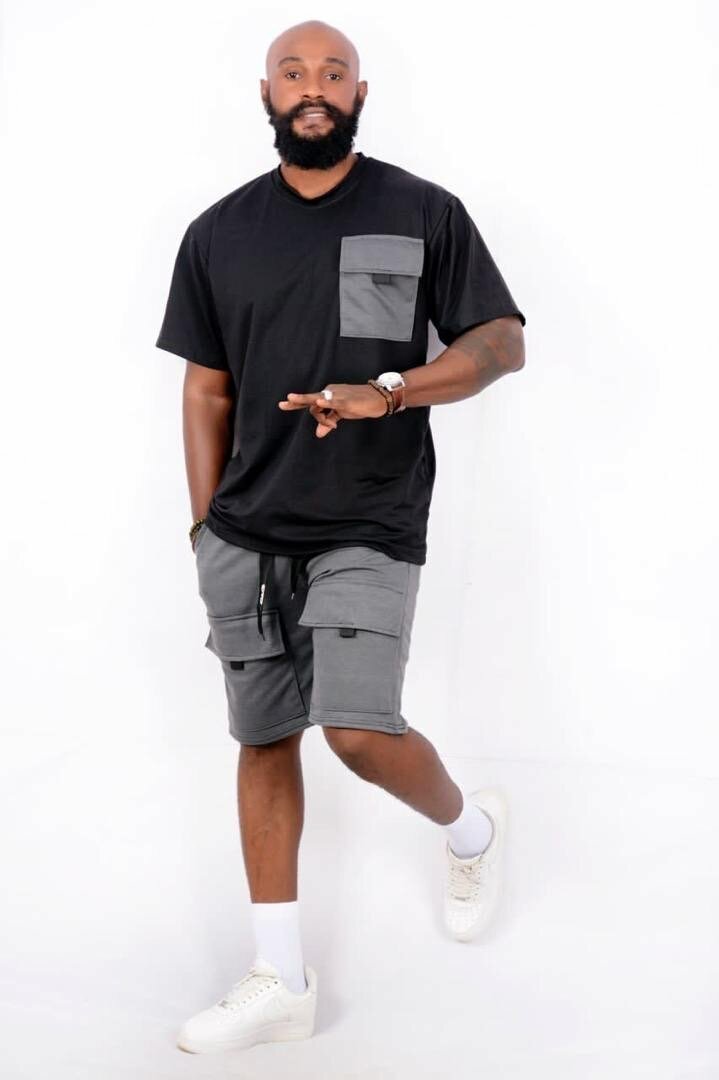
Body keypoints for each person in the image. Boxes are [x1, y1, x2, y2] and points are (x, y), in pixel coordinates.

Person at [155, 18, 526, 1055]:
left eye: (332, 72)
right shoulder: (216, 233)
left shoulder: (420, 211)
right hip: (245, 530)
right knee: (263, 737)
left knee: (356, 732)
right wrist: (203, 527)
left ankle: (472, 830)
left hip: (369, 515)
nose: (311, 87)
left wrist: (392, 389)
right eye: (293, 72)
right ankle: (279, 978)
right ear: (265, 93)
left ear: (359, 94)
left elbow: (500, 342)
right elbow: (204, 389)